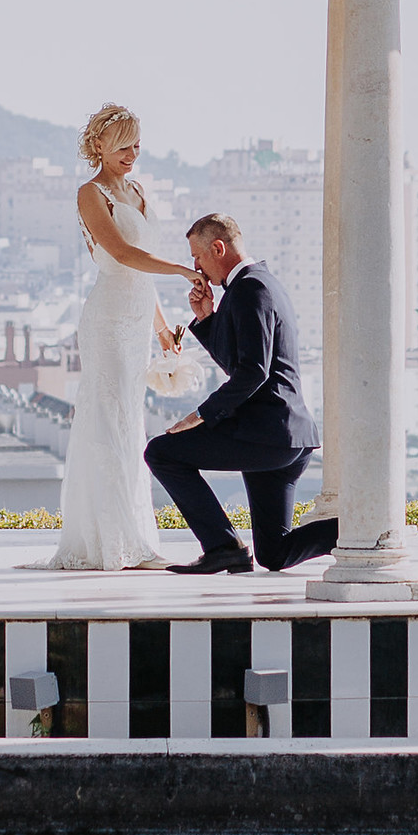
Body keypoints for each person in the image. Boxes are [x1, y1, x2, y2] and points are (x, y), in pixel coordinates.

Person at [144, 214, 340, 576]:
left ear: (218, 248)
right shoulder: (252, 285)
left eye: (197, 257)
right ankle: (358, 528)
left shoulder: (252, 288)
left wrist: (201, 414)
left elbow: (254, 372)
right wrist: (206, 319)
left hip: (268, 433)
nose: (196, 266)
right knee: (275, 553)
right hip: (283, 439)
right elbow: (244, 365)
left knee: (162, 452)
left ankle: (223, 547)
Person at [48, 103, 197, 572]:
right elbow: (122, 253)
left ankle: (133, 538)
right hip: (109, 317)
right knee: (107, 421)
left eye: (136, 145)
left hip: (137, 320)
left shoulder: (137, 189)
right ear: (99, 146)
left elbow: (143, 271)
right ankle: (107, 542)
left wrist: (162, 332)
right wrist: (178, 268)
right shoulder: (90, 194)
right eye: (123, 146)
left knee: (131, 422)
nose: (132, 154)